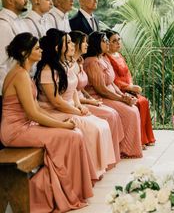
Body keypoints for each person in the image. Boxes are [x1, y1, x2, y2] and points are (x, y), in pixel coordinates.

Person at [1, 33, 94, 213]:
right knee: (71, 136)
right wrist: (62, 126)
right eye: (36, 48)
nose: (41, 50)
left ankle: (68, 190)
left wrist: (60, 122)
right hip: (15, 131)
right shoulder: (19, 75)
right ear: (24, 52)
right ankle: (49, 191)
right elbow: (33, 113)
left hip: (26, 126)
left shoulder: (24, 74)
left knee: (74, 134)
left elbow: (37, 109)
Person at [35, 29, 115, 179]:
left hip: (70, 107)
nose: (72, 45)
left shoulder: (65, 64)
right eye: (69, 42)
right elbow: (56, 102)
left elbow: (73, 89)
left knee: (102, 124)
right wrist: (76, 111)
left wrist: (79, 106)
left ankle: (97, 169)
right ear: (58, 48)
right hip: (54, 112)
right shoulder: (48, 70)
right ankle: (88, 172)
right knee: (92, 129)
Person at [83, 31, 143, 158]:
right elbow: (101, 89)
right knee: (129, 112)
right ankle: (123, 149)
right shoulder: (92, 62)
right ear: (96, 44)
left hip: (111, 94)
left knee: (133, 109)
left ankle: (129, 147)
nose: (107, 43)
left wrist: (123, 95)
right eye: (104, 41)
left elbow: (112, 82)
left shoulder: (104, 58)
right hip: (99, 97)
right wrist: (121, 99)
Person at [70, 30, 123, 164]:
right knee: (110, 115)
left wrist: (90, 99)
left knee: (113, 114)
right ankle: (102, 159)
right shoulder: (78, 64)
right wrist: (90, 101)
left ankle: (114, 154)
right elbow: (73, 92)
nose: (86, 45)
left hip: (86, 99)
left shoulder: (80, 62)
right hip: (78, 103)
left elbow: (80, 88)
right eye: (84, 42)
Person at [105, 29, 156, 146]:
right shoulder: (107, 58)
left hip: (129, 88)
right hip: (119, 89)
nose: (118, 43)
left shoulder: (119, 55)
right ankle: (137, 140)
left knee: (144, 102)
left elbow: (127, 73)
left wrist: (131, 85)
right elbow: (114, 80)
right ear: (108, 43)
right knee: (138, 103)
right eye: (114, 41)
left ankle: (145, 138)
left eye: (119, 40)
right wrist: (129, 87)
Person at [0, 0, 29, 93]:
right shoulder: (3, 24)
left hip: (23, 82)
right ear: (10, 0)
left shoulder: (20, 21)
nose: (26, 0)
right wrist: (8, 90)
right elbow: (1, 63)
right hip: (10, 89)